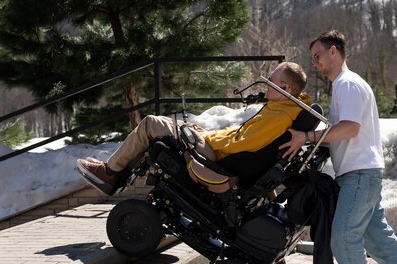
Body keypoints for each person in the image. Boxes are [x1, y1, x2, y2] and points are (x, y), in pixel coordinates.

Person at [280, 30, 397, 264]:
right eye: (313, 58)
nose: (316, 62)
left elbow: (349, 128)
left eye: (318, 56)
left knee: (343, 237)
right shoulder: (347, 85)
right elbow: (342, 133)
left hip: (359, 174)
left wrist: (307, 135)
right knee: (378, 238)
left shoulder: (347, 84)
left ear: (334, 51)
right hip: (363, 172)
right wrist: (310, 141)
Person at [77, 61, 309, 194]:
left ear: (285, 88)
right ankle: (115, 172)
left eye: (271, 80)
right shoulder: (282, 109)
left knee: (150, 123)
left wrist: (207, 138)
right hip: (218, 148)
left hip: (217, 156)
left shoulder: (280, 116)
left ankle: (110, 174)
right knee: (171, 125)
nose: (266, 83)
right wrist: (207, 134)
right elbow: (243, 136)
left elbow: (244, 144)